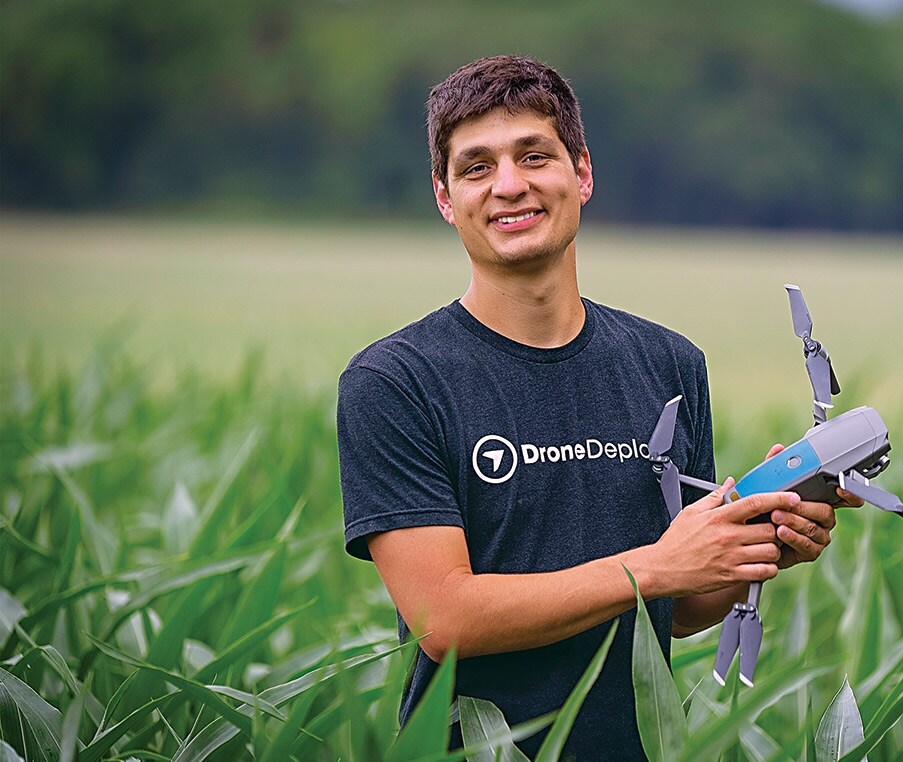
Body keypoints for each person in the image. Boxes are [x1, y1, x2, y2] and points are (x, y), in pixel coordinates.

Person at [336, 55, 846, 760]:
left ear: (582, 173)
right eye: (477, 167)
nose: (508, 185)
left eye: (533, 156)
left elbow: (668, 613)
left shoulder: (668, 363)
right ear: (445, 197)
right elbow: (444, 617)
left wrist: (752, 550)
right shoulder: (396, 381)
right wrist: (658, 566)